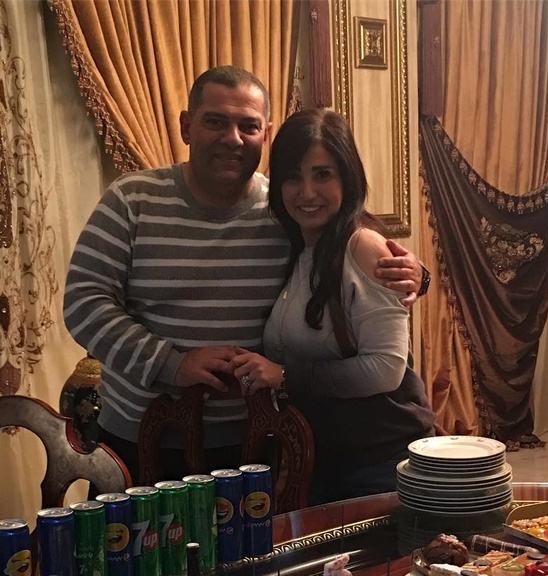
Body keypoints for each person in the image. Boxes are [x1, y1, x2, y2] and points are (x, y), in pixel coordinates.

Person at [63, 66, 424, 483]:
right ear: (187, 126)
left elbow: (347, 246)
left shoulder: (283, 211)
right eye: (215, 121)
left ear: (265, 134)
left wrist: (413, 273)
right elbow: (84, 303)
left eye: (248, 126)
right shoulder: (132, 200)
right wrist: (171, 364)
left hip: (256, 442)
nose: (232, 138)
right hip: (140, 439)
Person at [231, 108, 435, 505]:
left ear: (347, 177)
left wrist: (285, 376)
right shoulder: (295, 244)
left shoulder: (362, 246)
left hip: (380, 459)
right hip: (317, 459)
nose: (307, 192)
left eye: (322, 174)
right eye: (293, 176)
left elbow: (385, 369)